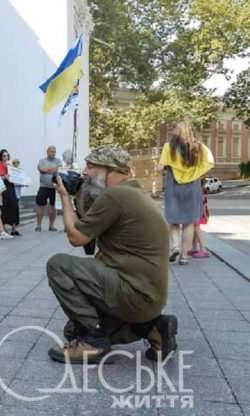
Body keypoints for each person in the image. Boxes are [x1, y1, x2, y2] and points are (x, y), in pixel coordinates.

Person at [46, 145, 177, 364]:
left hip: (134, 293)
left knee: (58, 265)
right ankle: (154, 329)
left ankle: (93, 344)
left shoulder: (116, 196)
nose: (85, 173)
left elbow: (77, 238)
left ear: (111, 170)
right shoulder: (132, 193)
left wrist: (65, 198)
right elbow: (89, 240)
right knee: (72, 331)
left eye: (91, 167)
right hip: (147, 297)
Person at [159, 121, 214, 265]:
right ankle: (184, 256)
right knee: (189, 223)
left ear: (178, 131)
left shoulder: (168, 147)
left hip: (173, 186)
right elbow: (210, 162)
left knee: (173, 220)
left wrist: (169, 168)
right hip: (192, 187)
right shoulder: (199, 148)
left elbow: (160, 167)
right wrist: (196, 173)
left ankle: (175, 247)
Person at [35, 145, 62, 232]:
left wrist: (48, 170)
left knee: (53, 207)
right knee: (40, 206)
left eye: (54, 151)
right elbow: (41, 169)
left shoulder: (58, 161)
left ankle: (51, 225)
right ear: (47, 152)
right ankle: (38, 225)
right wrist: (52, 169)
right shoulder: (42, 161)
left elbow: (60, 170)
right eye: (51, 151)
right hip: (43, 187)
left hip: (54, 188)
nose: (53, 153)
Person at [0, 149, 20, 235]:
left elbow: (15, 176)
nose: (6, 157)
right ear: (1, 156)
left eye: (7, 155)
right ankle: (4, 228)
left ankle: (14, 228)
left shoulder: (10, 166)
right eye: (4, 155)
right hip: (3, 187)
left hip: (11, 187)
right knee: (4, 206)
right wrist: (4, 177)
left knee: (14, 206)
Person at [190, 180, 211, 259]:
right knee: (194, 229)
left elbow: (200, 204)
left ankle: (203, 250)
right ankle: (194, 248)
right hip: (199, 213)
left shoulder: (198, 192)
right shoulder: (202, 190)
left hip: (197, 213)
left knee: (197, 228)